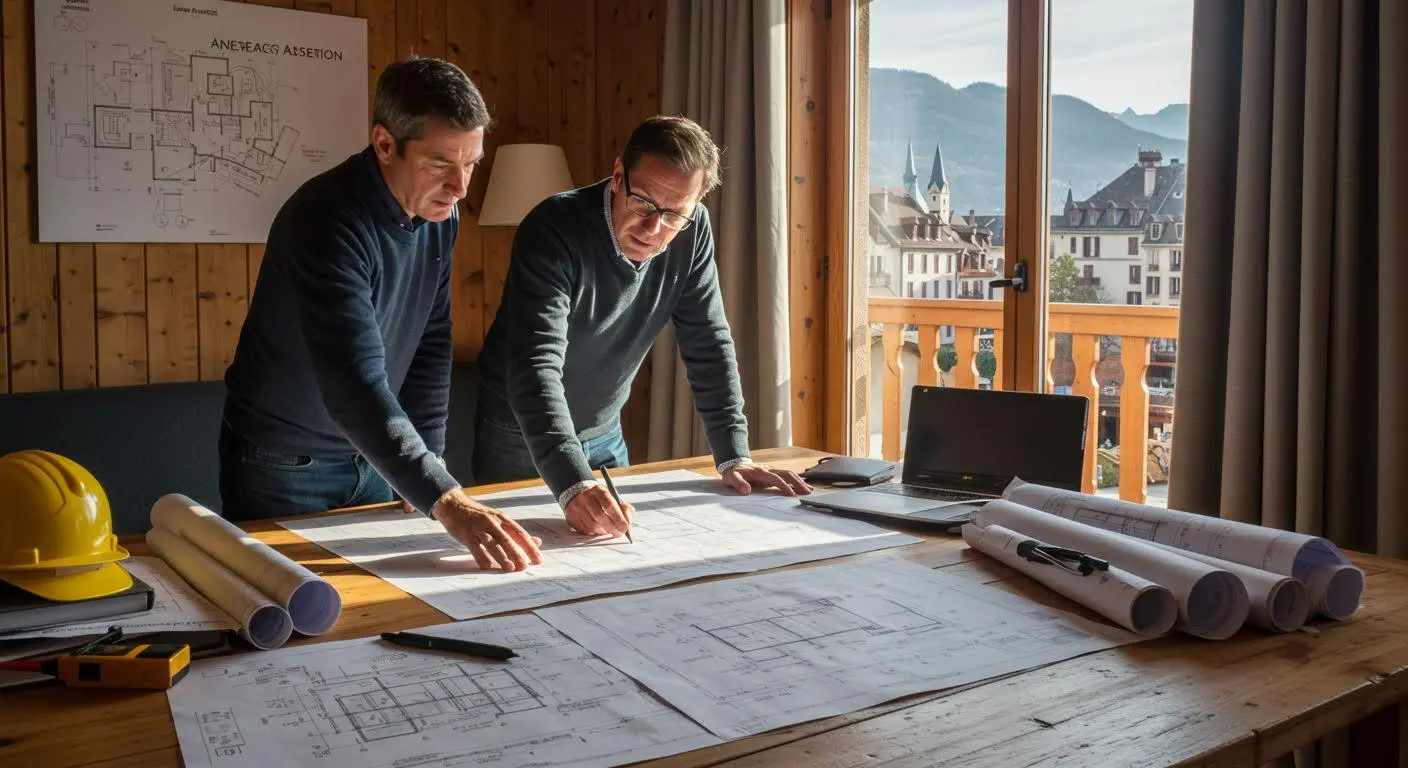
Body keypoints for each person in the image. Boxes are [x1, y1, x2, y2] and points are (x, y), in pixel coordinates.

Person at [220, 56, 542, 572]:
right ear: (385, 144)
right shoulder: (326, 220)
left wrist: (428, 462)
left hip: (379, 456)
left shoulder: (440, 212)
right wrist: (446, 498)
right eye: (440, 163)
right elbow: (355, 382)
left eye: (472, 163)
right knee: (289, 626)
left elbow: (432, 338)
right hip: (285, 464)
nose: (461, 187)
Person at [474, 115, 811, 538]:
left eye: (674, 214)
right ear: (618, 176)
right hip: (520, 429)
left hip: (604, 429)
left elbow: (708, 340)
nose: (654, 229)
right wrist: (573, 483)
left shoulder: (694, 231)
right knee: (518, 561)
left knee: (616, 551)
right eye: (643, 204)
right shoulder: (553, 226)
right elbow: (535, 365)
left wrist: (734, 456)